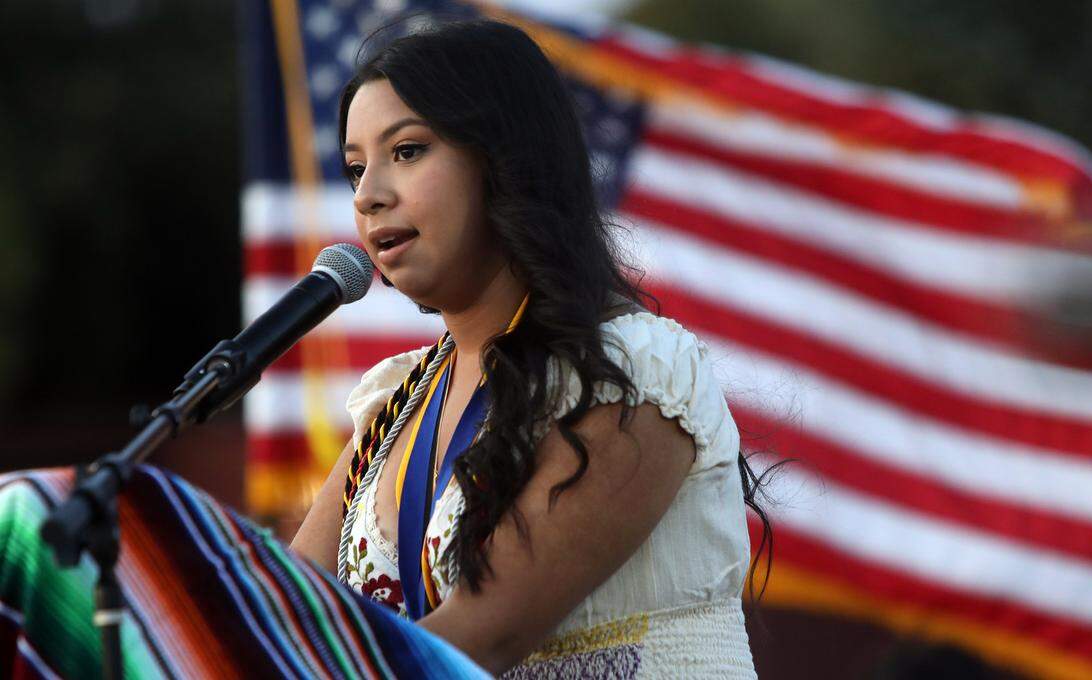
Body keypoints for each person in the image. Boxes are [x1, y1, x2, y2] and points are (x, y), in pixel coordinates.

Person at [290, 16, 768, 678]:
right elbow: (280, 619)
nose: (369, 196)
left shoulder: (632, 372)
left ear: (503, 160)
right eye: (353, 168)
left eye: (407, 151)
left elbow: (480, 637)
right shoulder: (395, 406)